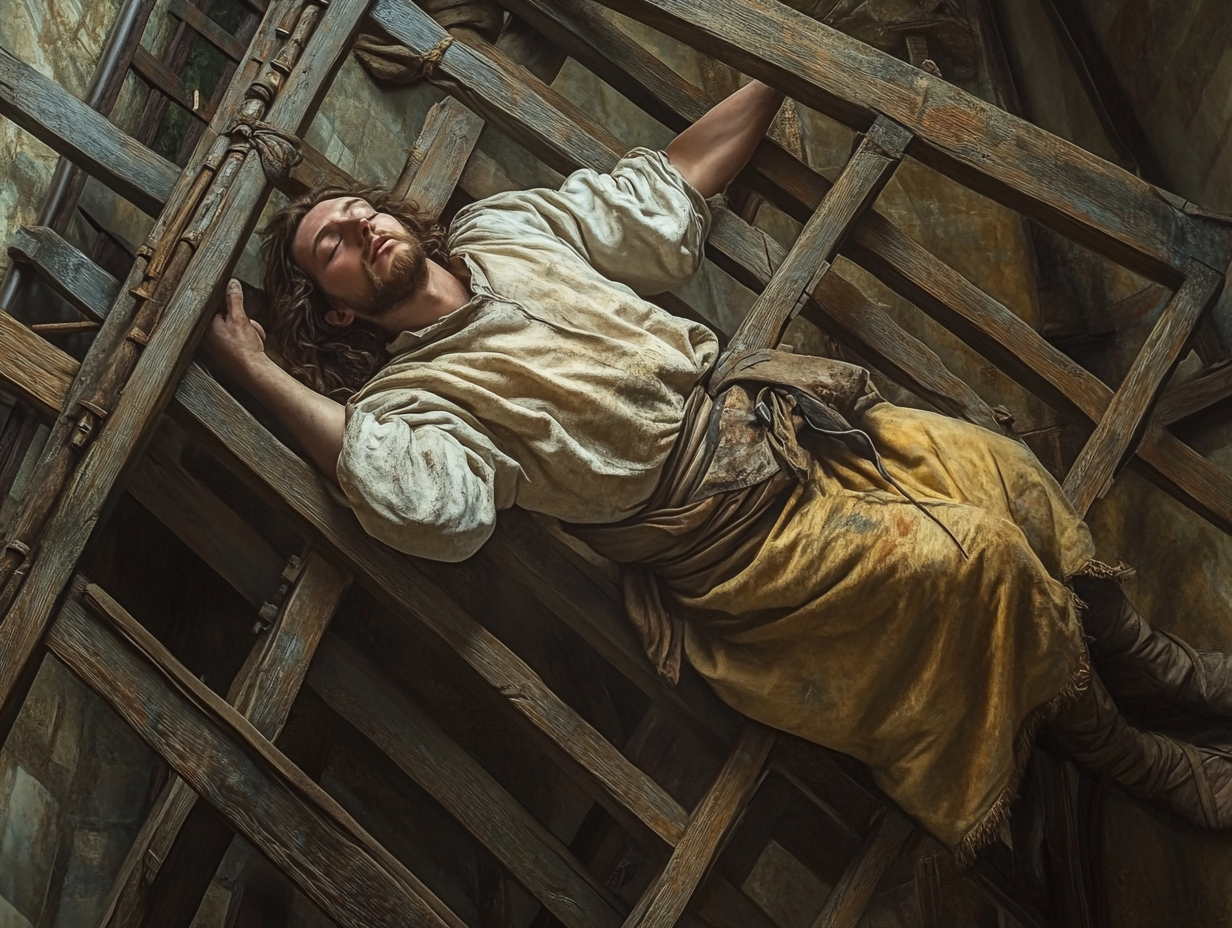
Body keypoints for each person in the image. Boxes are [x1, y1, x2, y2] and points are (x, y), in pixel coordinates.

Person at [204, 80, 1232, 862]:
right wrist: (254, 372)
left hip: (783, 426)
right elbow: (430, 508)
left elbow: (662, 189)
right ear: (335, 306)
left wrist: (775, 69)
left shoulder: (503, 230)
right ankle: (1148, 764)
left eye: (352, 211)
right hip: (735, 551)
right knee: (979, 567)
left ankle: (1159, 671)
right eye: (328, 248)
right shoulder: (406, 403)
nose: (355, 229)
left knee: (1004, 473)